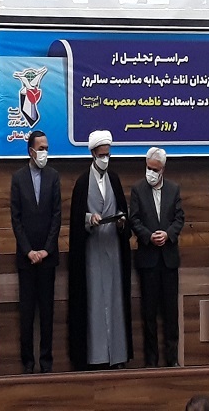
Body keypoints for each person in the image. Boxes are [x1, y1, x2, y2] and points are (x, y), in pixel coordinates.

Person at [68, 129, 133, 370]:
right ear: (93, 154)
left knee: (115, 303)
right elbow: (76, 220)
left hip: (113, 250)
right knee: (94, 304)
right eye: (102, 154)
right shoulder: (82, 183)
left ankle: (117, 355)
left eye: (108, 154)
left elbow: (123, 211)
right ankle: (96, 357)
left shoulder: (114, 179)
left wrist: (122, 221)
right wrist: (89, 219)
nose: (105, 158)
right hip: (92, 253)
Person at [10, 130, 61, 373]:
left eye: (46, 148)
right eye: (41, 149)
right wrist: (29, 251)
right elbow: (16, 218)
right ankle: (28, 363)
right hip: (26, 258)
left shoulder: (53, 176)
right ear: (31, 151)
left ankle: (46, 362)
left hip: (48, 258)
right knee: (27, 313)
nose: (45, 152)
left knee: (47, 313)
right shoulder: (18, 178)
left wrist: (46, 250)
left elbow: (57, 216)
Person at [130, 147, 185, 367]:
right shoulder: (137, 189)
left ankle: (172, 359)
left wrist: (168, 234)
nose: (151, 173)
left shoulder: (174, 189)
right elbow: (134, 220)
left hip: (169, 260)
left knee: (171, 313)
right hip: (148, 260)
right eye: (148, 168)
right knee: (149, 314)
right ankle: (151, 361)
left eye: (155, 169)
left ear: (163, 169)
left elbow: (179, 218)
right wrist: (148, 236)